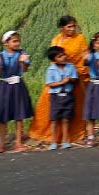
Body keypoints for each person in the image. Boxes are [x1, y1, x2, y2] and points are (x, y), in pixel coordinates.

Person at [30, 15, 89, 144]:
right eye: (69, 27)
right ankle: (51, 136)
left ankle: (72, 135)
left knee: (74, 109)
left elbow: (85, 55)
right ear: (62, 27)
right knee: (49, 107)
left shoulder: (80, 38)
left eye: (74, 26)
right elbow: (53, 58)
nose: (72, 29)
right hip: (57, 76)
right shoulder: (56, 40)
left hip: (74, 75)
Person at [0, 30, 33, 153]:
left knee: (19, 115)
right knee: (3, 116)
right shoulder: (0, 56)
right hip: (4, 86)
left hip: (18, 86)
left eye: (18, 41)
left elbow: (25, 69)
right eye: (14, 41)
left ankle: (18, 143)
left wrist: (22, 61)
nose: (17, 43)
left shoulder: (22, 53)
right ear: (6, 43)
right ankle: (1, 144)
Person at [43, 46, 78, 150]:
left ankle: (65, 141)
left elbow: (75, 79)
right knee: (54, 120)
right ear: (54, 60)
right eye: (60, 56)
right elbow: (50, 84)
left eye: (64, 55)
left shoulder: (71, 66)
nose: (63, 57)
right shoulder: (51, 69)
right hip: (56, 97)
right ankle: (53, 141)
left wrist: (70, 79)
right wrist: (62, 82)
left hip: (68, 95)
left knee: (66, 119)